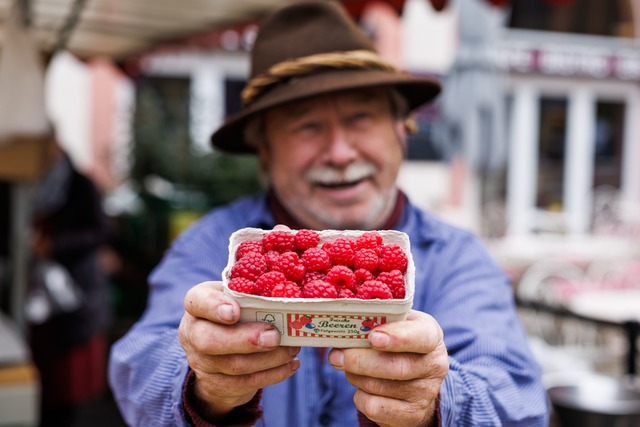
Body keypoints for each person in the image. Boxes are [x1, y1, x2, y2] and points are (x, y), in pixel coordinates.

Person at [109, 1, 549, 426]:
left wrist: (435, 402)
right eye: (307, 126)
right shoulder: (215, 244)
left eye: (361, 117)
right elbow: (138, 368)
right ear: (265, 147)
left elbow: (517, 400)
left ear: (402, 130)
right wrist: (203, 383)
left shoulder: (456, 257)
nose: (340, 153)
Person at [28, 131, 111, 426]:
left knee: (67, 384)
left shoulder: (80, 184)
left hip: (74, 291)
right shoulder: (28, 185)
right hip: (37, 292)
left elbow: (100, 231)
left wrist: (55, 244)